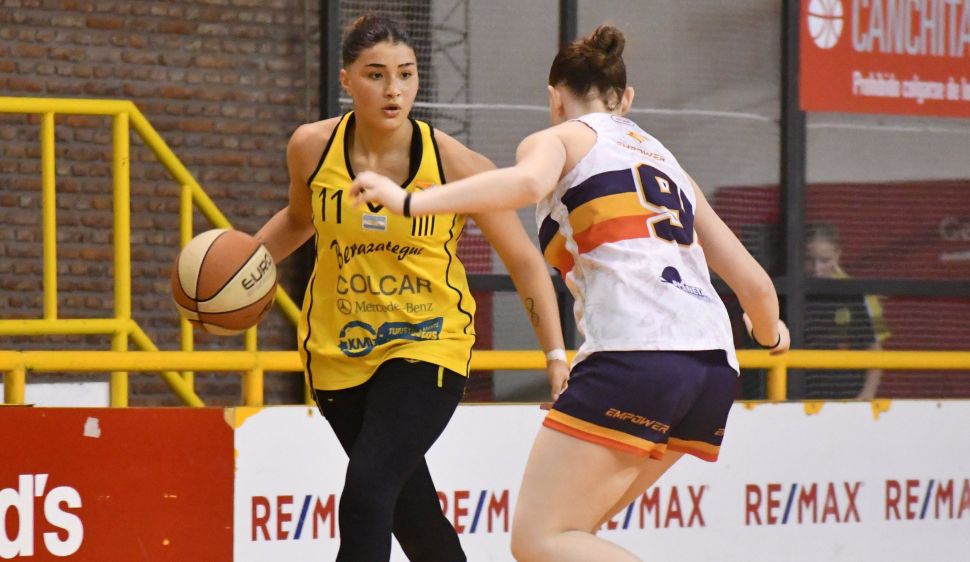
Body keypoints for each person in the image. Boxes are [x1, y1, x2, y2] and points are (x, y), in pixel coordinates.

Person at [350, 24, 789, 562]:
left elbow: (527, 184)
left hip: (636, 357)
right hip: (713, 371)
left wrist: (410, 201)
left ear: (555, 98)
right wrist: (770, 334)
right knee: (574, 534)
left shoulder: (558, 138)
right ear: (626, 99)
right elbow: (755, 285)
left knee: (540, 539)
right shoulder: (670, 165)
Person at [255, 14, 569, 561]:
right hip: (337, 352)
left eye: (405, 73)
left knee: (366, 493)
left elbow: (523, 259)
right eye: (376, 74)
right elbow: (300, 220)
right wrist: (243, 268)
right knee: (413, 517)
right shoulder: (311, 147)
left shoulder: (455, 163)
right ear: (347, 80)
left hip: (428, 345)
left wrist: (555, 354)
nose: (393, 89)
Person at [803, 223, 890, 399]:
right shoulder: (791, 295)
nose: (817, 269)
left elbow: (876, 350)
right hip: (801, 395)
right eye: (810, 260)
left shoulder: (862, 294)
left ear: (838, 254)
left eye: (824, 260)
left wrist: (866, 395)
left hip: (847, 395)